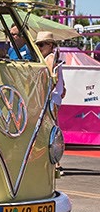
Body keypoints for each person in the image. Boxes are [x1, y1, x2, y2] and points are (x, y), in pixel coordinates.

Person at [36, 31, 66, 173]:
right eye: (37, 45)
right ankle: (56, 162)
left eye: (41, 44)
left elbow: (49, 81)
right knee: (53, 128)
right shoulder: (55, 57)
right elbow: (61, 84)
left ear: (50, 45)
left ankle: (55, 162)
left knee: (50, 130)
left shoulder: (49, 58)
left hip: (51, 98)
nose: (39, 47)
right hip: (56, 98)